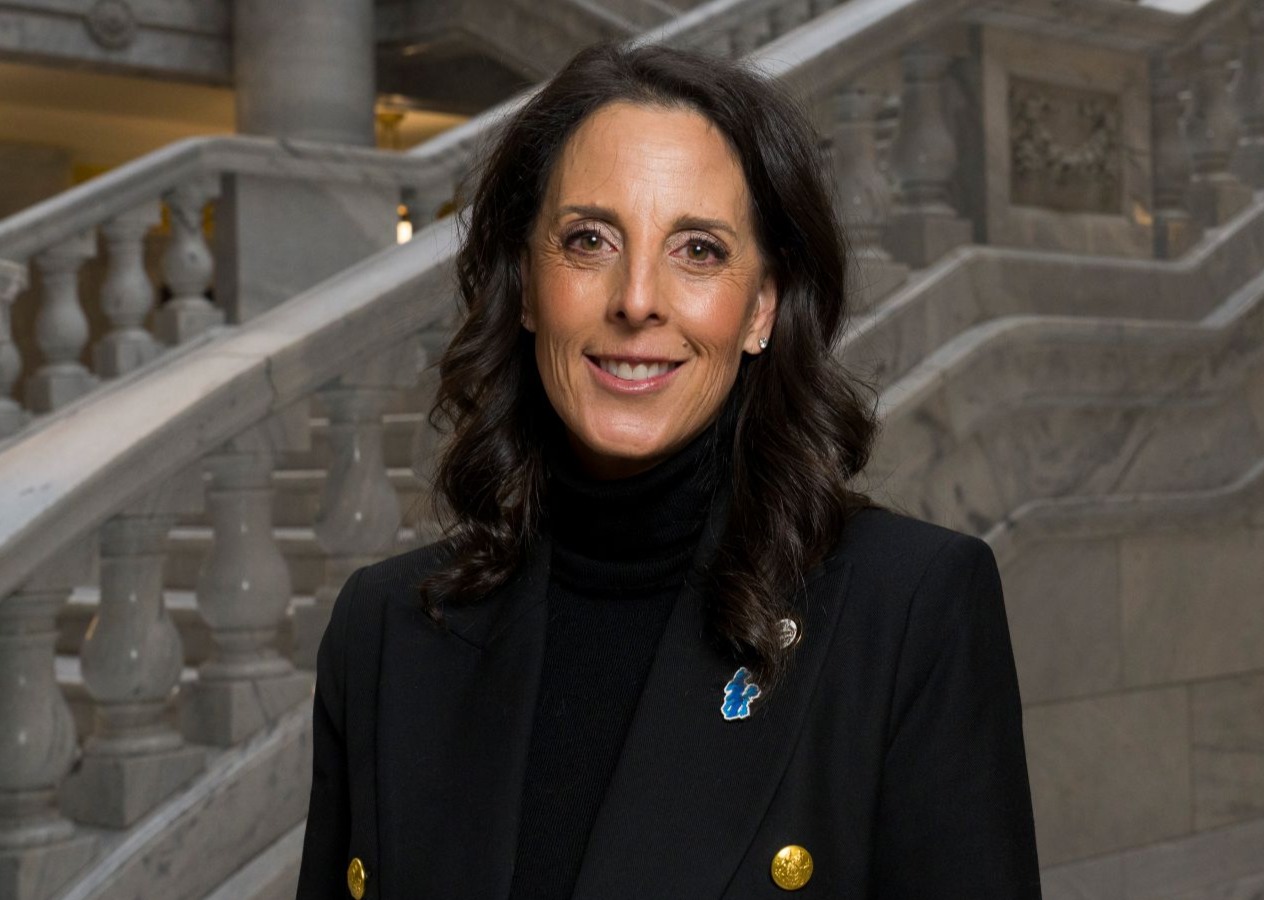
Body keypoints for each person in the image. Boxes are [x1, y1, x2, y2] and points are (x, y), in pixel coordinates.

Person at [296, 40, 1040, 900]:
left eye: (699, 250)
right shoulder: (384, 630)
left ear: (762, 307)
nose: (637, 297)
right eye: (589, 240)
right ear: (527, 285)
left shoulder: (907, 610)